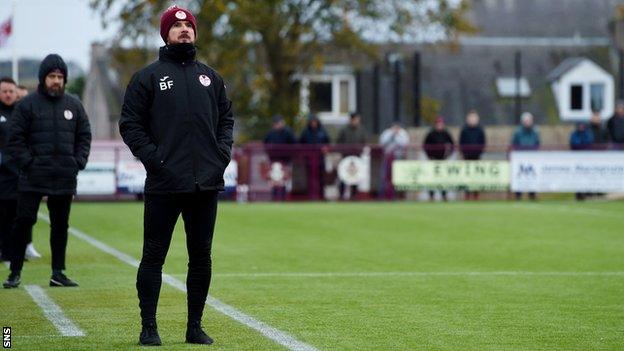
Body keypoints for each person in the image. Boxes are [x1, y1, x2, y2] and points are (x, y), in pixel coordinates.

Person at [119, 6, 234, 346]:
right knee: (153, 255)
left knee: (201, 257)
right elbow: (130, 125)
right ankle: (149, 327)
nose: (184, 30)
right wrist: (156, 161)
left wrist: (221, 155)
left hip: (205, 184)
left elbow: (226, 121)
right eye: (177, 26)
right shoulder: (147, 78)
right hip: (164, 184)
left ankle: (194, 327)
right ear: (165, 33)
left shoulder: (211, 78)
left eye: (188, 26)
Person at [2, 54, 91, 289]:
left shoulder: (74, 105)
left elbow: (84, 135)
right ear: (43, 78)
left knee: (60, 225)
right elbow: (15, 139)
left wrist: (78, 161)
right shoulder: (27, 105)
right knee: (23, 222)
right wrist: (29, 163)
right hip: (32, 177)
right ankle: (15, 272)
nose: (56, 81)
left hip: (64, 176)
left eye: (60, 77)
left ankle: (58, 273)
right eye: (52, 76)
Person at [0, 77, 19, 261]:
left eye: (10, 91)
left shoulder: (22, 113)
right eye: (4, 91)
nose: (8, 94)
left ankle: (12, 251)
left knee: (15, 217)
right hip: (1, 175)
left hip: (17, 176)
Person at [336, 112, 369, 200]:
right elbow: (338, 142)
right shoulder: (344, 130)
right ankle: (341, 195)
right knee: (343, 176)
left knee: (355, 176)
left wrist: (360, 150)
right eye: (355, 119)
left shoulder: (362, 130)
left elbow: (365, 141)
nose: (356, 121)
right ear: (351, 120)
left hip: (357, 157)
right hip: (345, 156)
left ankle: (354, 195)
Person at [264, 115, 295, 200]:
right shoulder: (270, 133)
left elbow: (294, 144)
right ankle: (274, 197)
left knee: (284, 180)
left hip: (285, 160)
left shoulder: (288, 132)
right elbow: (265, 143)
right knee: (274, 179)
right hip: (274, 160)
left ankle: (284, 197)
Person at [423, 116, 454, 201]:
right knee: (432, 178)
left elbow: (452, 145)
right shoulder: (431, 134)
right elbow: (425, 145)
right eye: (438, 123)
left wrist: (447, 156)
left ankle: (444, 195)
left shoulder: (446, 133)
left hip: (442, 160)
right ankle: (431, 195)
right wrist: (429, 156)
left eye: (441, 123)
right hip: (433, 160)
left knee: (443, 178)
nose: (439, 125)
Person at [511, 112, 540, 200]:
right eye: (526, 121)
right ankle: (518, 195)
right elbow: (514, 144)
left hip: (532, 158)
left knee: (532, 177)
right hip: (520, 158)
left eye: (529, 120)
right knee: (519, 177)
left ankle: (532, 194)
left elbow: (537, 143)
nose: (528, 122)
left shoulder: (535, 132)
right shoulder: (518, 132)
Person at [459, 110, 486, 200]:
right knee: (467, 176)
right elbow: (461, 143)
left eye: (474, 118)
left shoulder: (480, 130)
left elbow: (483, 142)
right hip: (467, 157)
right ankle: (467, 194)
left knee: (476, 176)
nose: (472, 120)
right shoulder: (464, 130)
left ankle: (476, 194)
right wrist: (464, 153)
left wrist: (479, 151)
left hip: (477, 157)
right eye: (471, 118)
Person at [379, 121, 409, 199]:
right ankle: (383, 195)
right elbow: (382, 143)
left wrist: (397, 136)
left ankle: (399, 195)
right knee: (385, 176)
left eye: (397, 127)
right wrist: (392, 135)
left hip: (399, 158)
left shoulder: (403, 133)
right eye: (394, 127)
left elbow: (404, 144)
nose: (396, 129)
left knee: (398, 177)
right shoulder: (387, 132)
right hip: (387, 157)